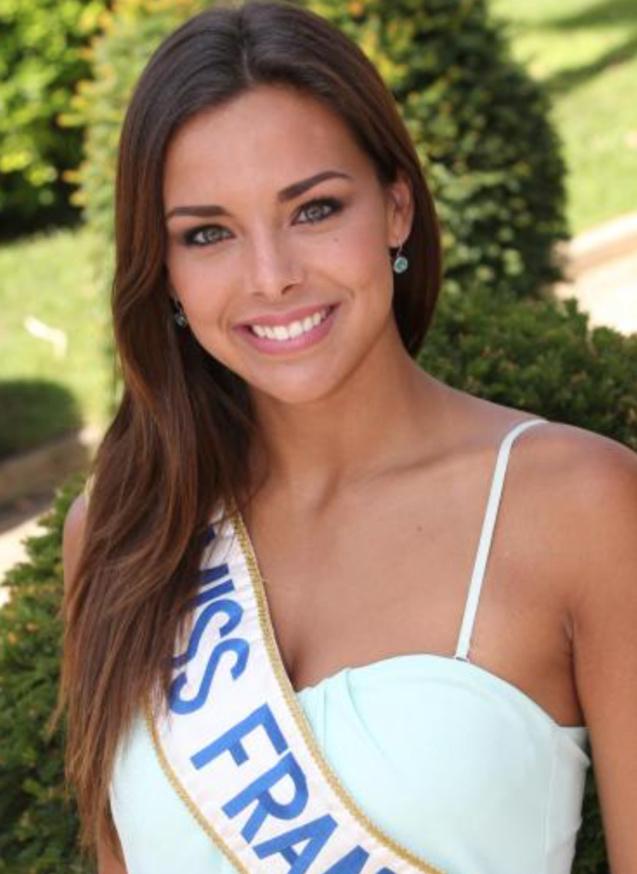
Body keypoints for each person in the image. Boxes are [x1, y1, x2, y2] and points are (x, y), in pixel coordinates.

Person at [59, 2, 637, 873]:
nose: (272, 277)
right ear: (165, 270)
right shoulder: (123, 533)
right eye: (207, 233)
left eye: (315, 208)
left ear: (396, 207)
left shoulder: (575, 508)